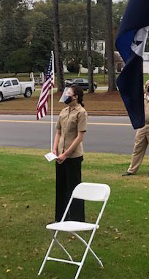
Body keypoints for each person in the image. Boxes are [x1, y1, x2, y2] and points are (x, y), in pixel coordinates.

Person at [53, 85, 87, 222]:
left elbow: (79, 137)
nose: (66, 95)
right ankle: (61, 218)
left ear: (76, 97)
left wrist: (66, 154)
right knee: (61, 187)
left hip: (73, 156)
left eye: (69, 93)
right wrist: (54, 149)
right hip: (60, 155)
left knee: (74, 187)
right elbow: (58, 132)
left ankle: (77, 219)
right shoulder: (63, 111)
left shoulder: (81, 112)